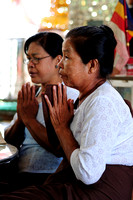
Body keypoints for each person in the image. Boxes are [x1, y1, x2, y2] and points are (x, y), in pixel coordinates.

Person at [0, 25, 133, 200]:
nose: (60, 64)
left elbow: (88, 173)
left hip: (98, 190)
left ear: (92, 65)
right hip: (76, 183)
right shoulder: (84, 98)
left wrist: (62, 128)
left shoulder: (103, 102)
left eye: (67, 57)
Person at [1, 31, 79, 192]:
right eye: (29, 59)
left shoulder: (70, 96)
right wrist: (21, 119)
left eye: (36, 58)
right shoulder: (31, 96)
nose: (30, 64)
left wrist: (29, 120)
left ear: (58, 60)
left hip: (48, 177)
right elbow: (9, 141)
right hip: (19, 173)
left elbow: (59, 149)